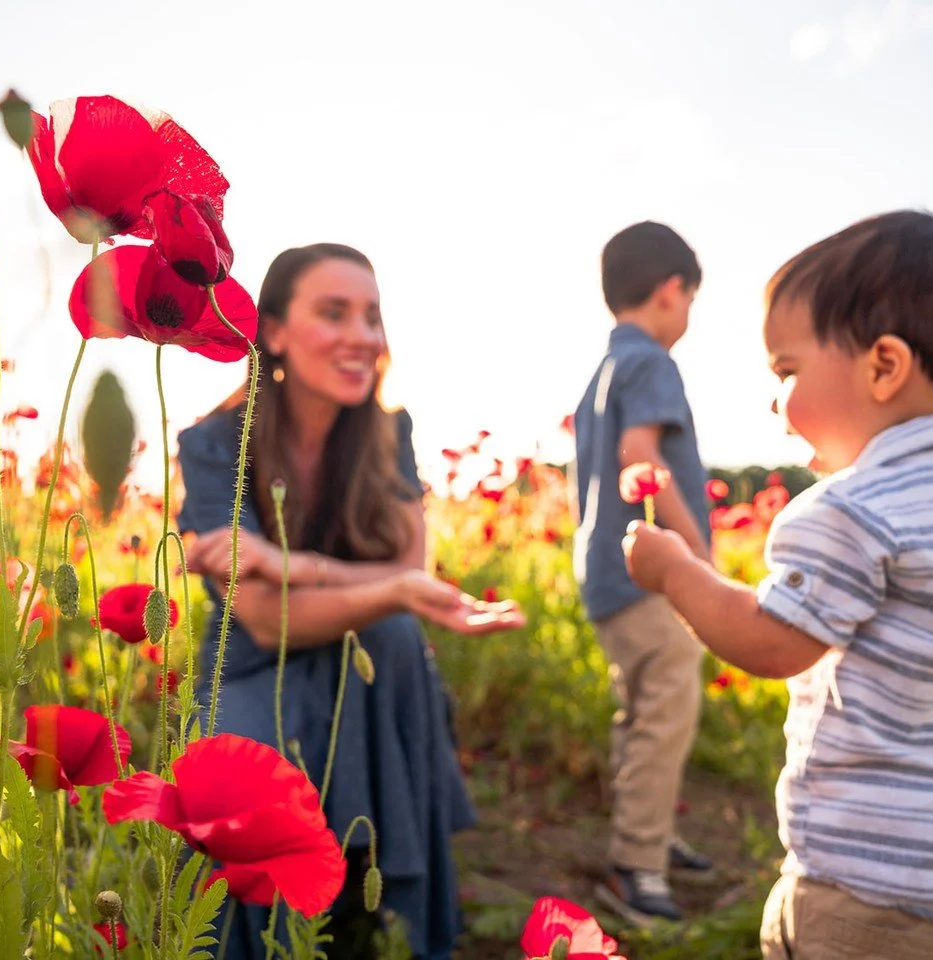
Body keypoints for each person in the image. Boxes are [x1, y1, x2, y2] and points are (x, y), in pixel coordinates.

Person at [623, 211, 933, 960]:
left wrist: (676, 570)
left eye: (786, 371)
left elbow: (770, 641)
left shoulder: (855, 505)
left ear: (883, 366)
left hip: (874, 901)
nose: (775, 403)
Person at [177, 242, 524, 960]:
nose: (363, 336)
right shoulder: (215, 444)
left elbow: (409, 574)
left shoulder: (388, 433)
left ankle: (380, 912)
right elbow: (264, 621)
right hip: (246, 666)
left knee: (390, 636)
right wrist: (369, 584)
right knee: (247, 774)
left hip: (368, 654)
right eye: (333, 313)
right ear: (273, 331)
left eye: (371, 316)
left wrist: (289, 565)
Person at [570, 221, 715, 926]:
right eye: (690, 299)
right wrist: (698, 559)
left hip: (602, 573)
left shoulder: (601, 371)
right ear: (670, 291)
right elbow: (640, 456)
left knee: (640, 708)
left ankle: (649, 830)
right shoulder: (652, 362)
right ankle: (637, 866)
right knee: (666, 712)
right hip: (648, 575)